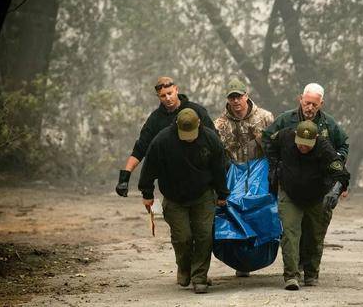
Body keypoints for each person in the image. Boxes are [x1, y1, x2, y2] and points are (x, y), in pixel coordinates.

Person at [137, 108, 230, 293]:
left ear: (199, 125)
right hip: (174, 197)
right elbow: (149, 168)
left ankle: (199, 277)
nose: (188, 138)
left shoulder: (210, 139)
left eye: (192, 133)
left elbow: (219, 168)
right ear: (176, 126)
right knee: (183, 238)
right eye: (184, 134)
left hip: (203, 194)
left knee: (204, 236)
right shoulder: (162, 141)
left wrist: (222, 194)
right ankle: (184, 267)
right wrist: (147, 193)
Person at [265, 120, 350, 290]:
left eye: (308, 145)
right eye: (300, 144)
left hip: (317, 197)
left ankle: (311, 273)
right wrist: (275, 166)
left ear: (316, 138)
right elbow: (269, 145)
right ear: (295, 136)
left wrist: (335, 192)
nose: (303, 148)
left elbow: (342, 174)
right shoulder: (285, 136)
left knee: (314, 235)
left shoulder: (325, 148)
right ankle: (291, 275)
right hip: (290, 193)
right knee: (290, 234)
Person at [213, 77, 274, 277]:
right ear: (228, 100)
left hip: (260, 174)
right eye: (232, 98)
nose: (236, 101)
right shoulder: (220, 125)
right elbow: (217, 154)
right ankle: (241, 262)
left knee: (263, 213)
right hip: (233, 174)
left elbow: (275, 147)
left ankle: (264, 255)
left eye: (239, 96)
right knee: (232, 215)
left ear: (246, 96)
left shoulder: (265, 117)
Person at [115, 76, 216, 197]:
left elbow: (215, 142)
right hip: (172, 184)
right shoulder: (155, 119)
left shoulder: (197, 111)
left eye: (170, 93)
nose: (168, 98)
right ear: (158, 97)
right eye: (163, 96)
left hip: (200, 180)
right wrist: (125, 177)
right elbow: (140, 148)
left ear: (176, 90)